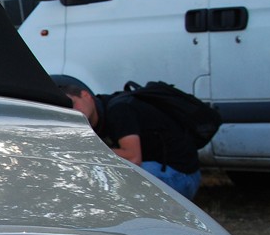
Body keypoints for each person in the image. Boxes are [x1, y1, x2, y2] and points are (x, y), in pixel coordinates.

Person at [50, 74, 202, 200]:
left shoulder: (119, 110)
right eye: (67, 109)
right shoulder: (97, 116)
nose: (73, 111)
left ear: (86, 95)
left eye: (73, 103)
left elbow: (133, 157)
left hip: (181, 175)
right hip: (163, 168)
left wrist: (87, 150)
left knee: (105, 179)